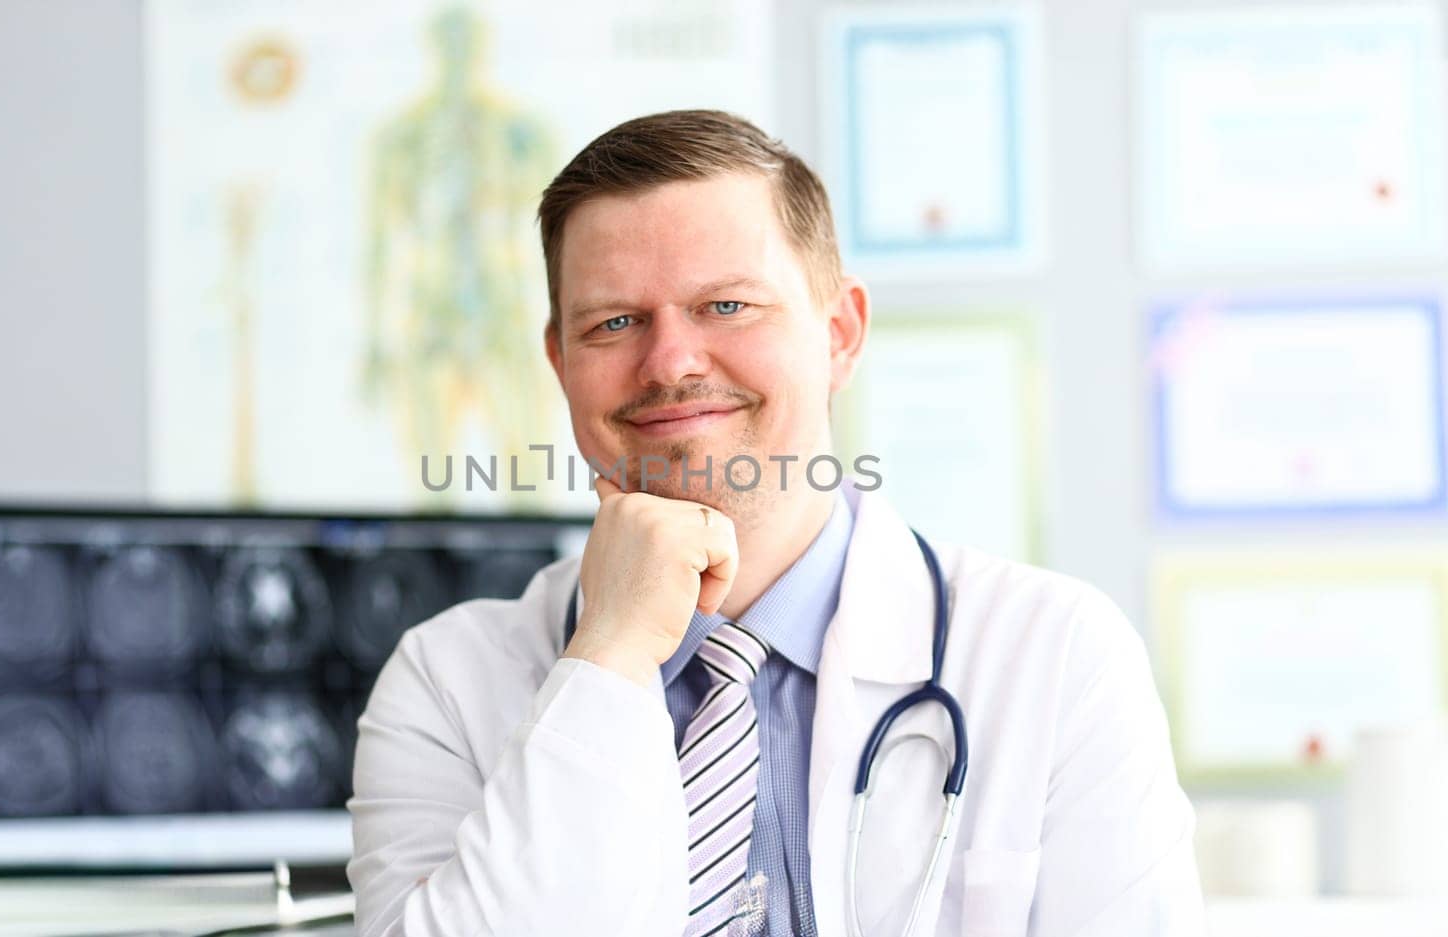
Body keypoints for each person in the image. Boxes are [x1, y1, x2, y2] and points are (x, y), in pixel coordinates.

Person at [347, 110, 1205, 937]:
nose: (671, 360)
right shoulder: (444, 683)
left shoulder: (1058, 657)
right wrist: (607, 656)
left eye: (727, 306)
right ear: (560, 361)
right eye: (614, 322)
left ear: (840, 333)